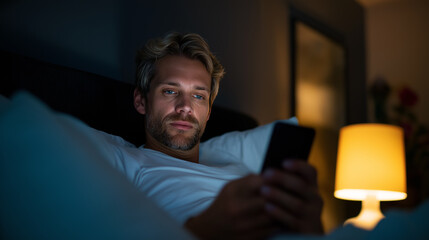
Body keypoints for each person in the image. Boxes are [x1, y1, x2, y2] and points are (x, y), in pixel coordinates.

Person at [117, 32, 324, 239]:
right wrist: (205, 229)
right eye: (170, 91)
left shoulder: (236, 166)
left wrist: (312, 227)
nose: (186, 107)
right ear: (141, 101)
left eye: (198, 96)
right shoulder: (125, 164)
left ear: (208, 112)